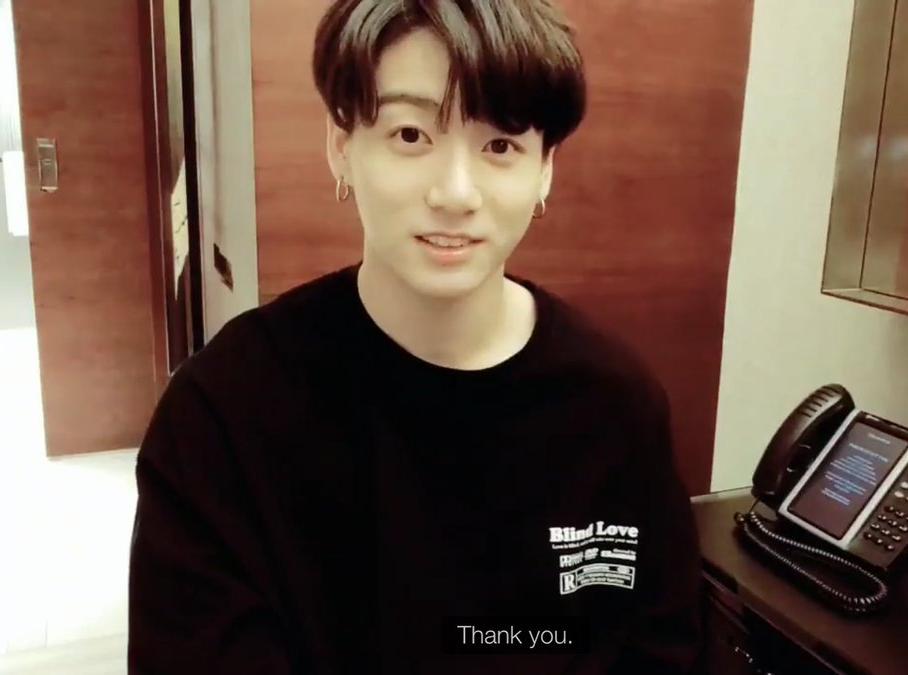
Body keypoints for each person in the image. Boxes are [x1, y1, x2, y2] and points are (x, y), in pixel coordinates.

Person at [127, 0, 703, 672]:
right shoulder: (222, 413)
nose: (455, 193)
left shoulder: (616, 405)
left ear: (545, 168)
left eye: (500, 145)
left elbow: (660, 648)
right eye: (410, 135)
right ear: (342, 146)